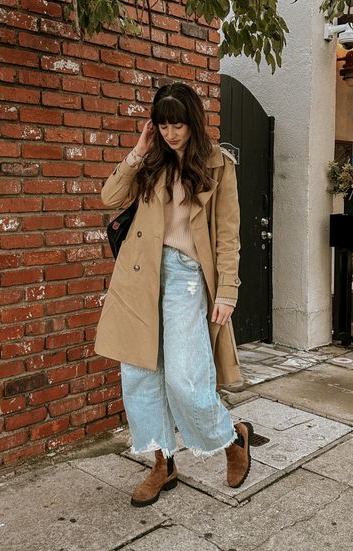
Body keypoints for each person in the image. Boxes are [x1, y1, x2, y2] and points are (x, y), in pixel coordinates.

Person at [94, 82, 254, 507]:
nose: (170, 133)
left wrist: (227, 291)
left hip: (186, 278)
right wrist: (139, 150)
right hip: (139, 276)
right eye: (162, 125)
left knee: (185, 380)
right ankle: (163, 462)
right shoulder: (151, 163)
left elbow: (228, 236)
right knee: (141, 377)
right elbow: (108, 197)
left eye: (177, 124)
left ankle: (231, 439)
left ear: (193, 122)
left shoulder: (220, 166)